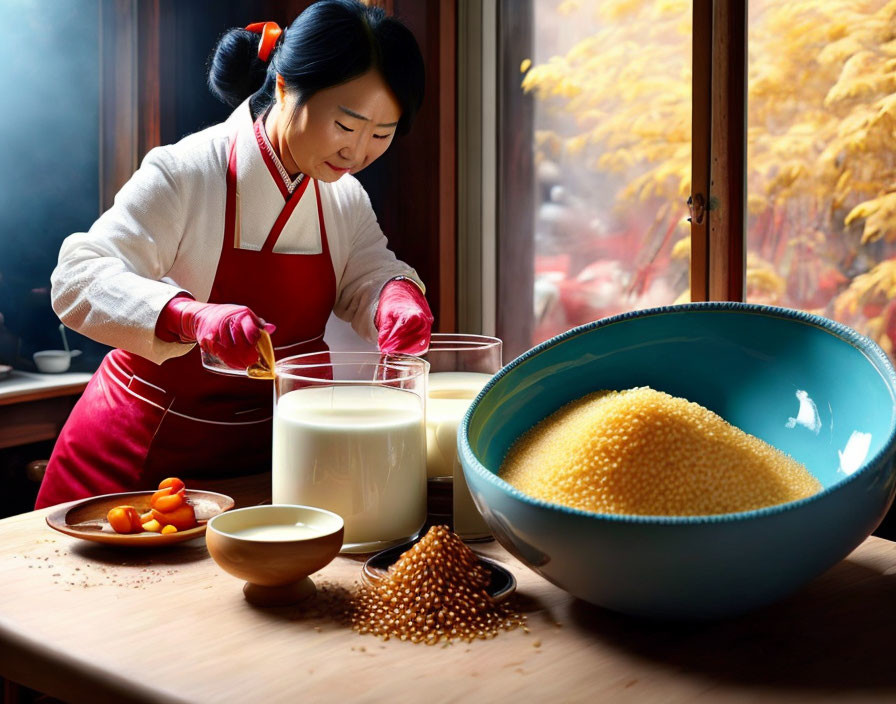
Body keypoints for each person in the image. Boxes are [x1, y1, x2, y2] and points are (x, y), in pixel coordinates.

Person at [35, 0, 433, 508]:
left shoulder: (343, 194)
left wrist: (393, 297)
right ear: (286, 87)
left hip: (273, 455)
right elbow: (77, 277)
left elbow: (368, 271)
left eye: (382, 135)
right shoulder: (186, 171)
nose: (357, 154)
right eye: (345, 126)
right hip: (141, 452)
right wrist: (189, 316)